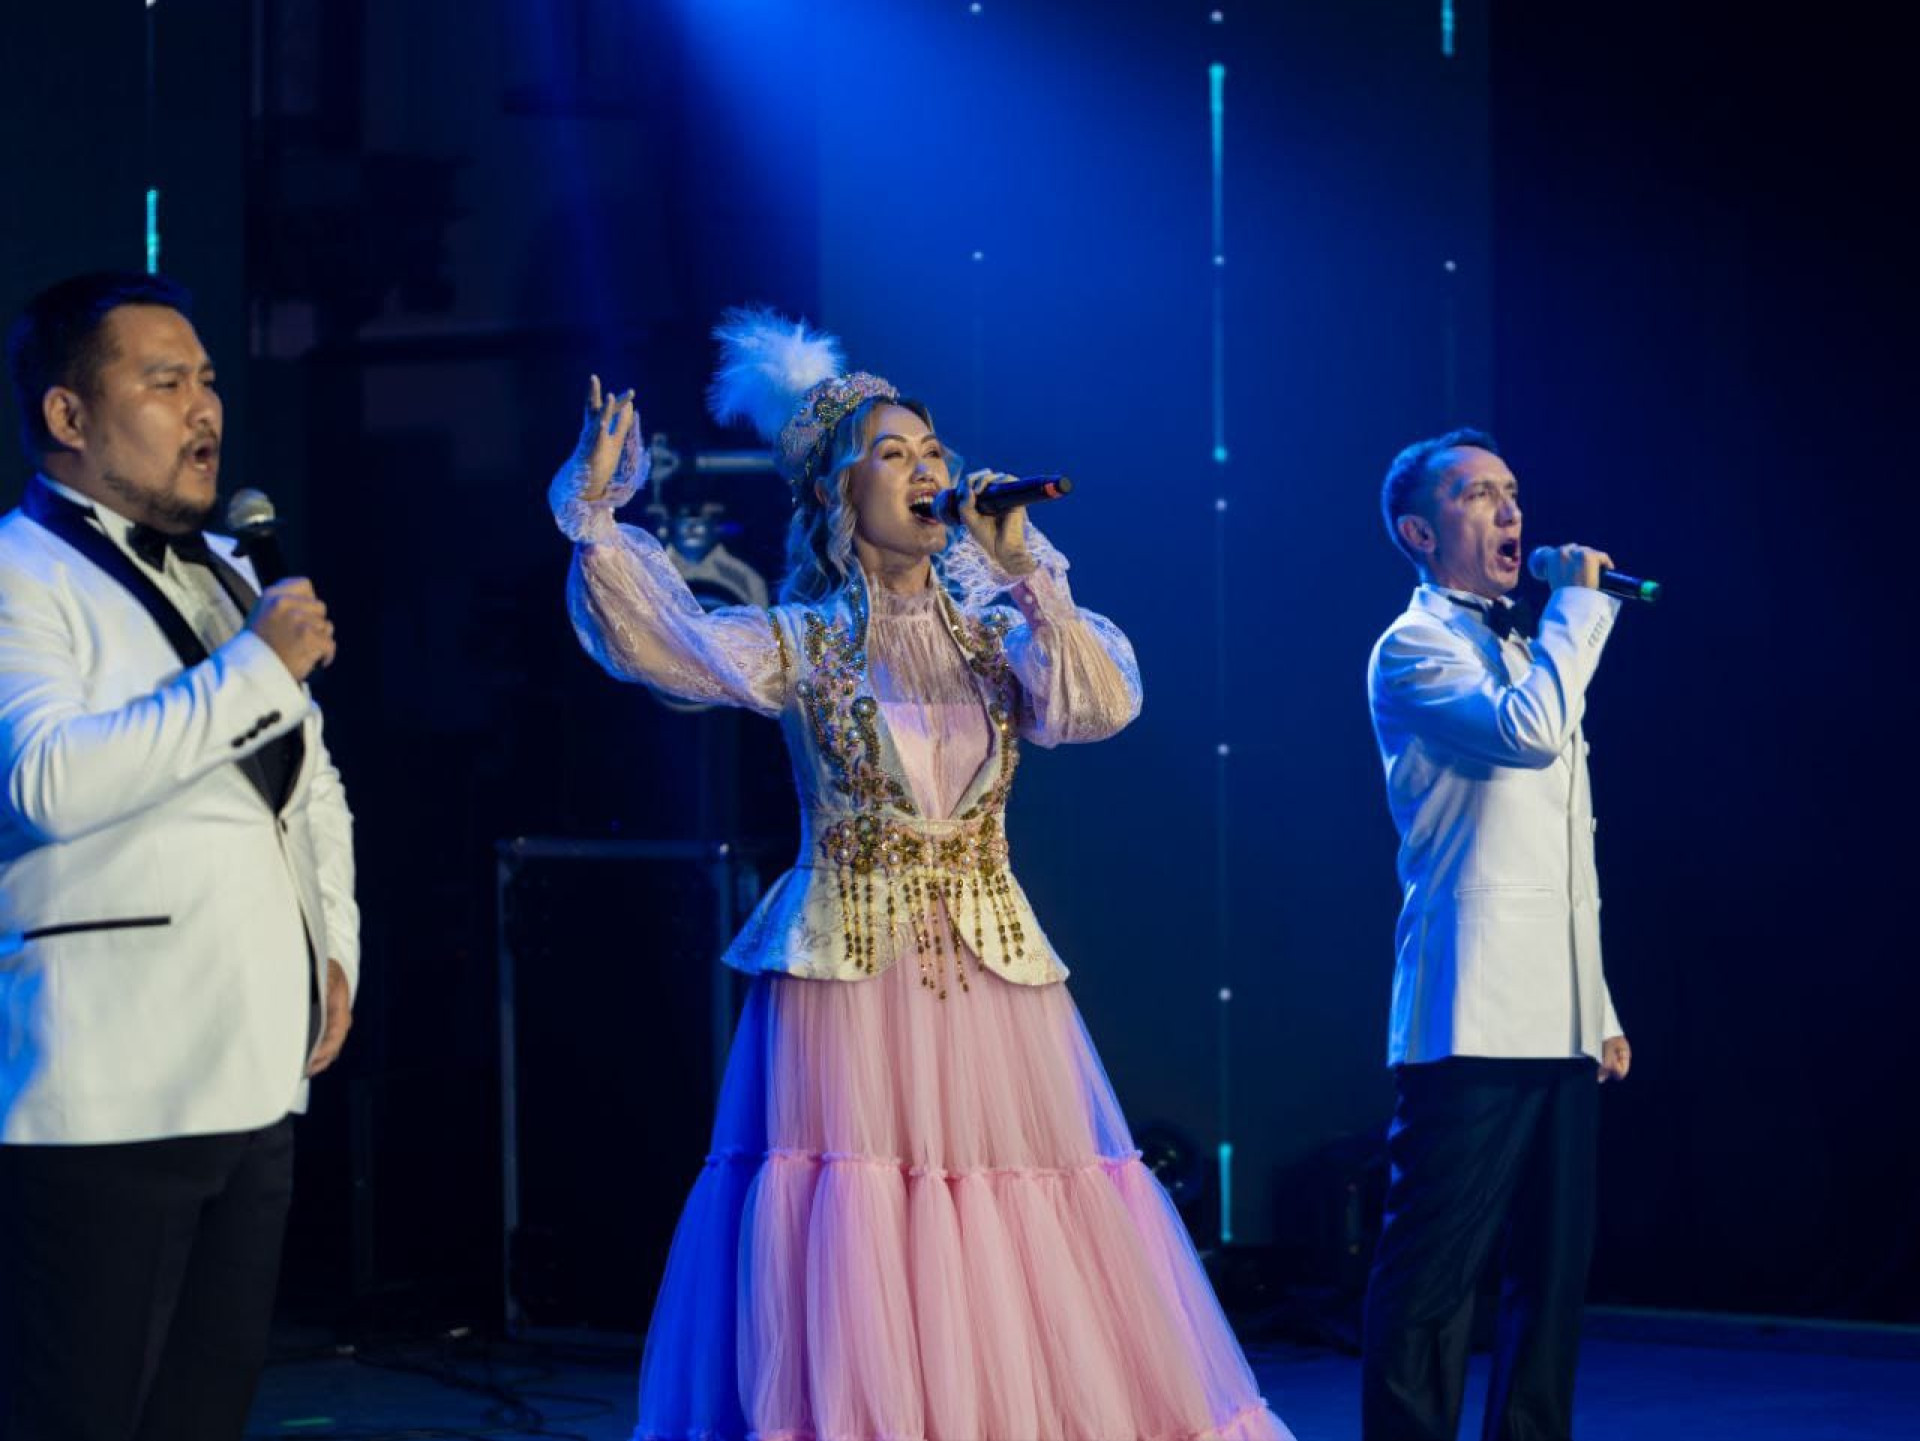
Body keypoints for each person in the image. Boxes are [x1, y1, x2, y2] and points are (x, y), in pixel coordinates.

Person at [549, 308, 1287, 1441]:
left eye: (933, 451)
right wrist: (596, 517)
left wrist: (1025, 568)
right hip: (850, 984)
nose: (925, 470)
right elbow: (668, 644)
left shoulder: (1000, 634)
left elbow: (1100, 704)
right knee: (858, 1229)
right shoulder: (804, 640)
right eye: (891, 454)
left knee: (1016, 1221)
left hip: (993, 984)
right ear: (839, 494)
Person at [0, 271, 359, 1440]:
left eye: (207, 379)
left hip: (254, 1072)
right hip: (109, 1082)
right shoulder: (18, 570)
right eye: (164, 383)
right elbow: (46, 780)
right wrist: (255, 668)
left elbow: (311, 786)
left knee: (205, 1413)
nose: (205, 407)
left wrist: (332, 947)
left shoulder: (228, 568)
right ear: (68, 414)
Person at [1359, 428, 1632, 1440]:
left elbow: (1560, 849)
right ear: (1420, 531)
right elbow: (1530, 735)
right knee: (1435, 1277)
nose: (1510, 509)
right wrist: (1581, 608)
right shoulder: (1414, 648)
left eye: (1512, 490)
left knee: (1551, 1280)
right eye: (1478, 494)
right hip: (1469, 1010)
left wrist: (1599, 1003)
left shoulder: (1525, 648)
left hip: (1558, 1012)